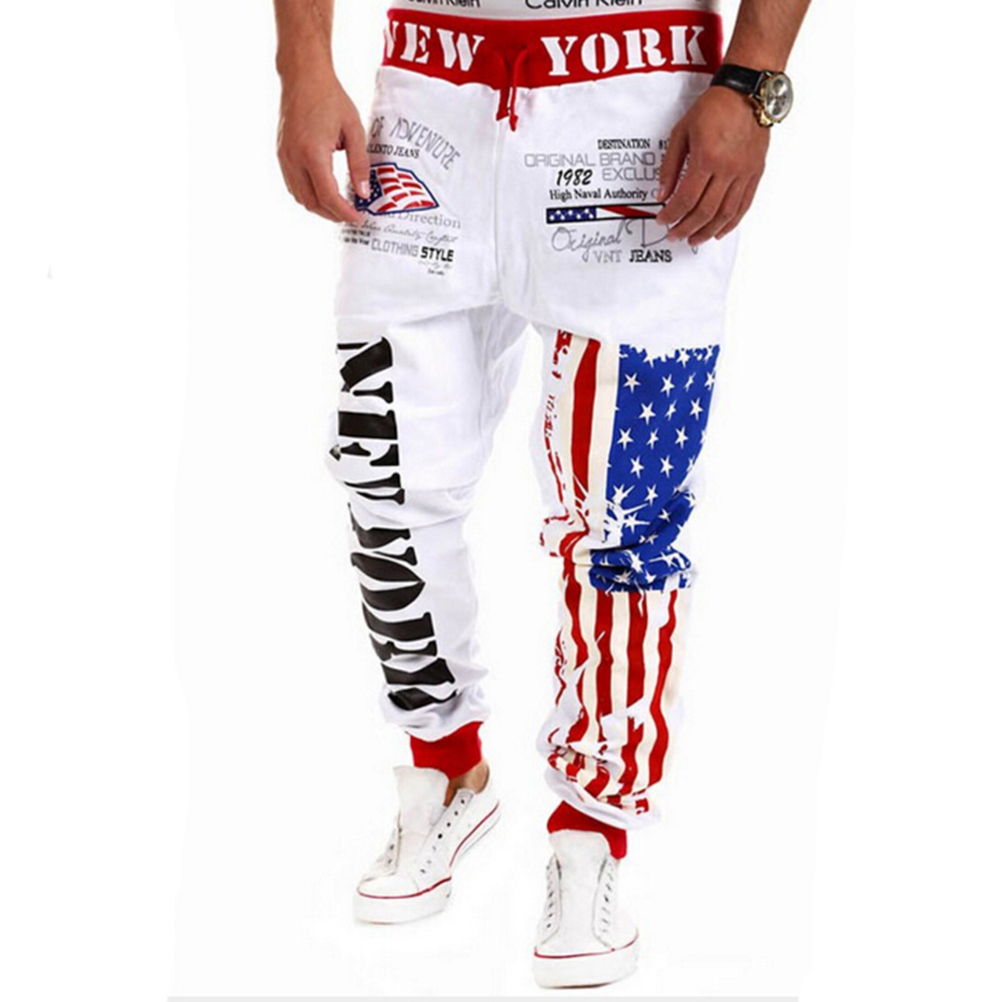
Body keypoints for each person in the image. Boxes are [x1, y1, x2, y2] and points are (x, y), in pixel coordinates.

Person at [273, 0, 809, 988]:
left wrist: (752, 78)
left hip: (639, 102)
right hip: (431, 101)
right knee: (387, 480)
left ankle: (590, 830)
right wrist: (302, 63)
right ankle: (447, 767)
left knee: (622, 515)